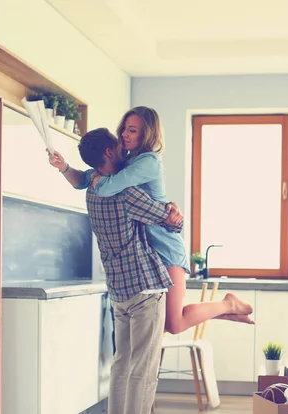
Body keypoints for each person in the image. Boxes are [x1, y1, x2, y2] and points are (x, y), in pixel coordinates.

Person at [48, 106, 254, 333]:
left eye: (133, 130)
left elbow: (107, 187)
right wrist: (64, 167)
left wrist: (96, 176)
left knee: (172, 324)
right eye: (125, 129)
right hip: (147, 251)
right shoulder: (125, 161)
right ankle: (227, 310)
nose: (125, 134)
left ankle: (228, 304)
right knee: (165, 322)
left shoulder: (148, 162)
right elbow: (82, 181)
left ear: (146, 133)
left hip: (165, 244)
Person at [76, 128, 181, 414]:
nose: (123, 145)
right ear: (109, 153)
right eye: (117, 143)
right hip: (145, 288)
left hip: (119, 292)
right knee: (144, 369)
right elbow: (171, 222)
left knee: (121, 363)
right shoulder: (127, 194)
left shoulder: (92, 192)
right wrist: (173, 208)